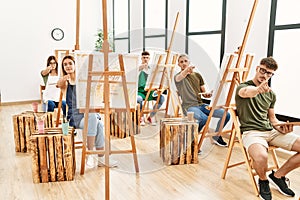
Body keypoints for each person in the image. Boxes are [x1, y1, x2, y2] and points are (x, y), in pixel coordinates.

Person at [235, 57, 300, 200]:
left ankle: (278, 176)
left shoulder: (271, 94)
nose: (265, 75)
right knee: (261, 157)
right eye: (263, 71)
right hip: (252, 133)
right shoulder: (242, 87)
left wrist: (280, 127)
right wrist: (258, 90)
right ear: (257, 68)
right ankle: (263, 180)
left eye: (269, 73)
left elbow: (272, 119)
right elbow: (247, 92)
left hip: (270, 131)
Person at [57, 55, 118, 168]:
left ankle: (100, 158)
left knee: (97, 122)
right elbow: (59, 84)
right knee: (92, 116)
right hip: (74, 117)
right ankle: (90, 153)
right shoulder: (65, 83)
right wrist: (63, 78)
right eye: (65, 64)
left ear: (75, 65)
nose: (68, 66)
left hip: (89, 115)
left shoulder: (83, 81)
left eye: (70, 63)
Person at [174, 54, 230, 147]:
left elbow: (203, 93)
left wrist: (208, 94)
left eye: (185, 61)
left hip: (201, 105)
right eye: (181, 62)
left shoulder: (197, 75)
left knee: (226, 115)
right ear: (178, 64)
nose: (184, 63)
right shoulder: (178, 77)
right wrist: (186, 71)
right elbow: (180, 76)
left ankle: (217, 136)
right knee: (203, 118)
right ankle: (192, 140)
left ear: (189, 62)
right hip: (189, 107)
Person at [137, 51, 165, 126]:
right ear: (141, 58)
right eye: (144, 58)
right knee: (138, 99)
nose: (145, 59)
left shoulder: (152, 70)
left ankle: (151, 116)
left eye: (147, 58)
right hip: (140, 92)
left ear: (149, 59)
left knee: (161, 98)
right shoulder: (137, 68)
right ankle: (141, 117)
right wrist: (140, 68)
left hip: (150, 91)